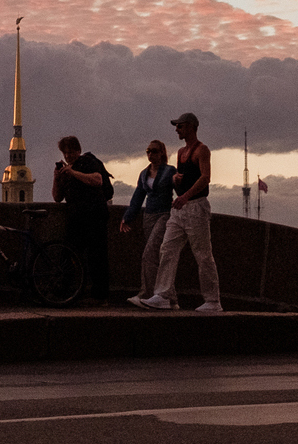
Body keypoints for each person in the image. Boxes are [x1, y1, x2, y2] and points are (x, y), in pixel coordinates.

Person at [131, 111, 222, 313]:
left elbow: (205, 178)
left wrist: (185, 195)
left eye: (180, 126)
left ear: (190, 126)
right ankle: (162, 296)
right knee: (167, 248)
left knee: (203, 254)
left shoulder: (202, 150)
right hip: (180, 210)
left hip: (196, 207)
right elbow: (187, 175)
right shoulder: (181, 152)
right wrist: (176, 180)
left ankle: (213, 301)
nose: (176, 130)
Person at [51, 136, 113, 303]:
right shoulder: (66, 171)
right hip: (76, 218)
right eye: (65, 153)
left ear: (78, 151)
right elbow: (57, 197)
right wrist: (57, 178)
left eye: (71, 152)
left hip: (94, 216)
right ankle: (66, 291)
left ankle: (100, 296)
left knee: (96, 257)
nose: (68, 156)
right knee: (67, 254)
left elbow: (97, 180)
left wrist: (73, 173)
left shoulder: (88, 162)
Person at [119, 141, 176, 306]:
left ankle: (147, 293)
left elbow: (180, 189)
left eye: (154, 151)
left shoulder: (169, 171)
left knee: (149, 255)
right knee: (159, 257)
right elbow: (138, 197)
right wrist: (127, 217)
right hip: (148, 216)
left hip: (164, 215)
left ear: (162, 153)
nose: (151, 154)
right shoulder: (144, 173)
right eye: (148, 151)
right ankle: (171, 298)